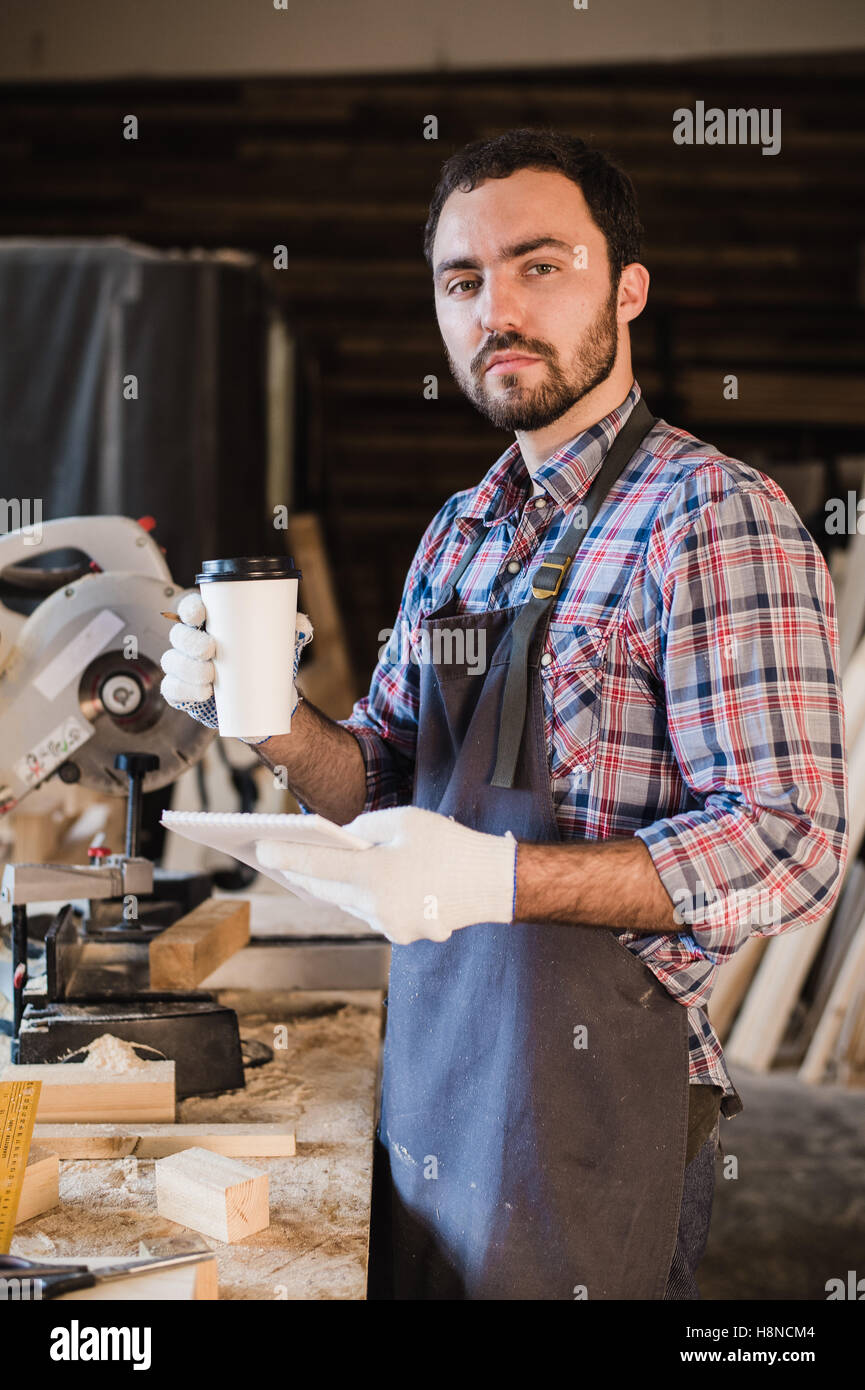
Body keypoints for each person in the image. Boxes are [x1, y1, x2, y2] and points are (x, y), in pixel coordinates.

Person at [161, 129, 849, 1301]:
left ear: (627, 288)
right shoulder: (460, 532)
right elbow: (381, 781)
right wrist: (267, 713)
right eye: (462, 280)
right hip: (438, 1080)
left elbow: (790, 843)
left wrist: (500, 881)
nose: (497, 309)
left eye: (541, 265)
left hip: (594, 1117)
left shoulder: (710, 518)